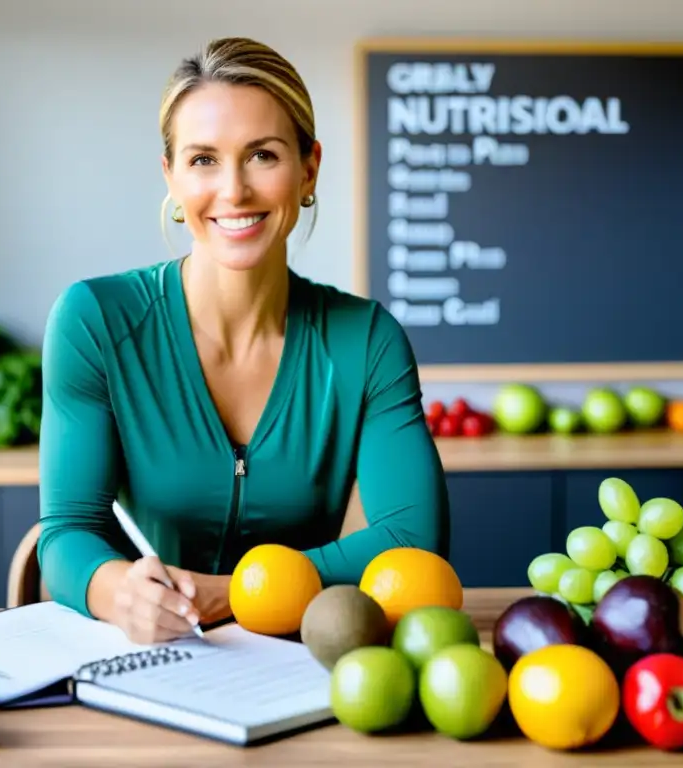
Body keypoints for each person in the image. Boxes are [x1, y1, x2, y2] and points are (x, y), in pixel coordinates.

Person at [36, 37, 450, 644]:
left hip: (311, 667)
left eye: (262, 155)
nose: (233, 190)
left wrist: (235, 594)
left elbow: (413, 539)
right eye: (203, 159)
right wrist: (115, 589)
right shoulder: (95, 320)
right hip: (153, 657)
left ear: (308, 168)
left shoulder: (367, 341)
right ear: (171, 177)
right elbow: (67, 531)